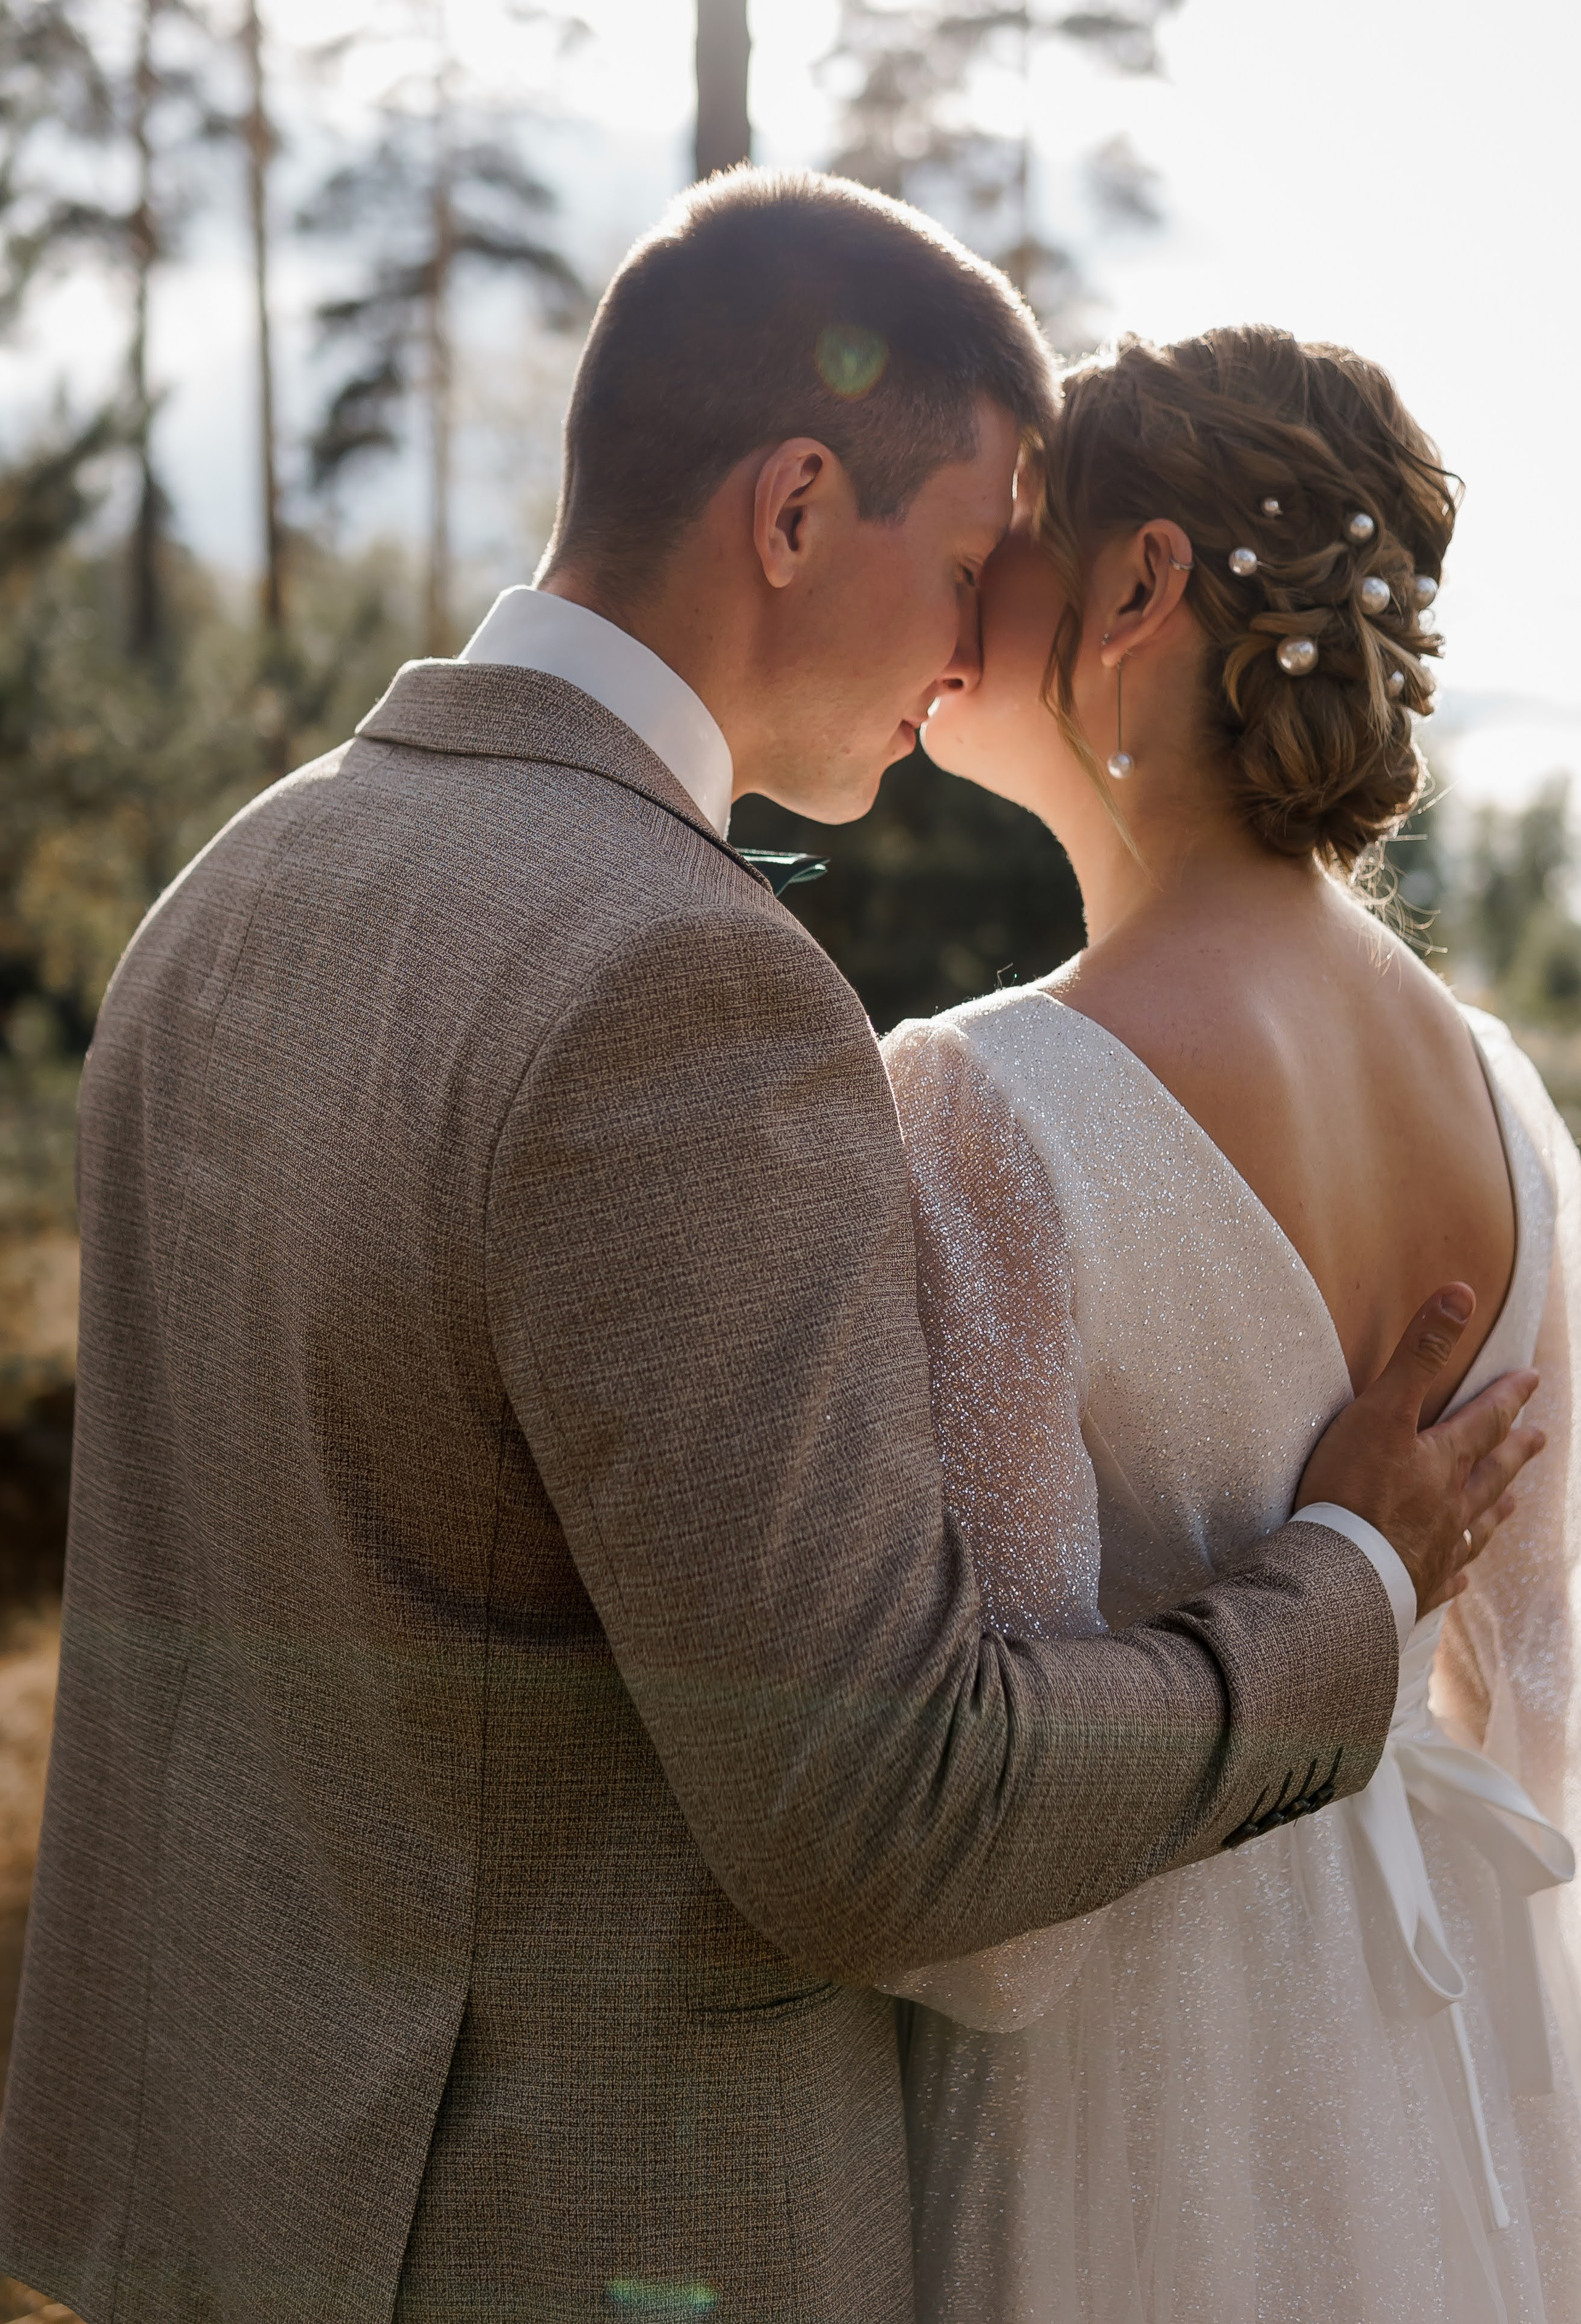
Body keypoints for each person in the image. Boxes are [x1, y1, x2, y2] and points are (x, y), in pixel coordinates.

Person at [0, 182, 1539, 2324]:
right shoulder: (682, 984)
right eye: (971, 553)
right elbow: (878, 1814)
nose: (978, 632)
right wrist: (1350, 1588)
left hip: (236, 2194)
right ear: (798, 507)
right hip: (585, 2239)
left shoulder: (230, 895)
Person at [892, 325, 1581, 2324]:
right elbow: (1541, 1710)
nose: (963, 580)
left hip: (1137, 2108)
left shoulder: (982, 1108)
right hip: (1450, 2068)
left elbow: (985, 1892)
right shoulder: (1502, 1100)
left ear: (1140, 585)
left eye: (1009, 536)